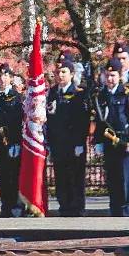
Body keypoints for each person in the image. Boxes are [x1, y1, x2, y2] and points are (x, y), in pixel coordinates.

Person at [94, 58, 129, 216]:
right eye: (107, 75)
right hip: (109, 142)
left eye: (113, 75)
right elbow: (99, 121)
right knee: (112, 178)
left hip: (124, 141)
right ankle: (114, 211)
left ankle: (126, 211)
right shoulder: (101, 95)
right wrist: (98, 142)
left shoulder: (126, 93)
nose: (110, 79)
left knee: (126, 180)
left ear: (119, 75)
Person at [46, 55, 89, 217]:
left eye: (64, 72)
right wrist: (49, 143)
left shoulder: (78, 93)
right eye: (58, 72)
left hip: (74, 144)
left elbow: (82, 121)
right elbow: (50, 120)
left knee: (75, 177)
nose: (60, 75)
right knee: (61, 177)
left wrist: (80, 142)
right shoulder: (52, 93)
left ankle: (77, 208)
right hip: (58, 144)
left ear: (71, 74)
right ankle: (64, 206)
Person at [0, 66, 23, 217]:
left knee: (14, 175)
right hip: (0, 142)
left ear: (11, 78)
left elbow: (18, 121)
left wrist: (17, 142)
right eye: (0, 76)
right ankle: (6, 205)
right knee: (3, 175)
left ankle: (16, 205)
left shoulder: (17, 97)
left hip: (13, 142)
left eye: (6, 75)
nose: (2, 78)